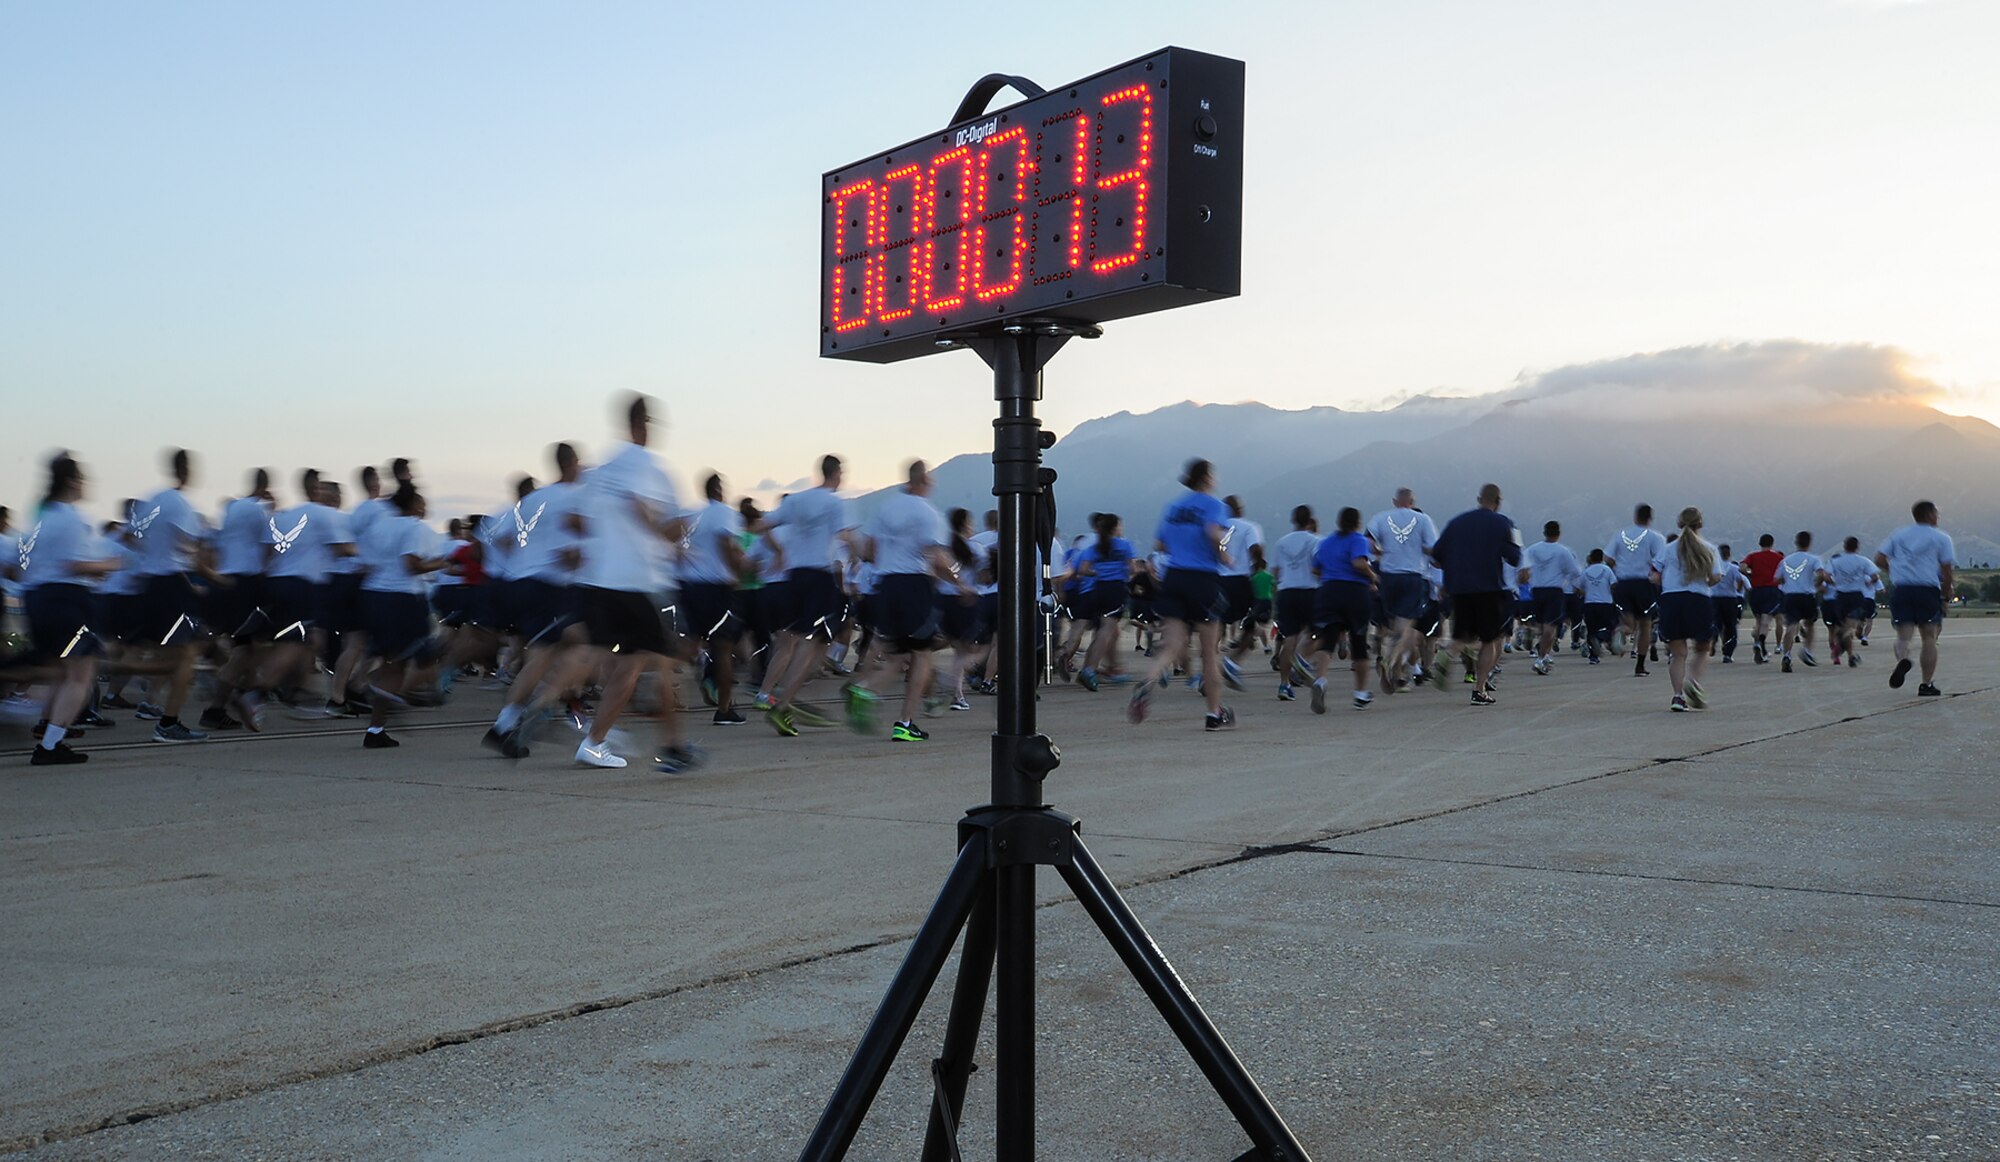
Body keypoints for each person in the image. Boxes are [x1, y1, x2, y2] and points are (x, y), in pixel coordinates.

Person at [571, 395, 694, 770]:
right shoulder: (652, 467)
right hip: (639, 582)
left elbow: (579, 522)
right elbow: (672, 525)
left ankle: (661, 745)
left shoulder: (602, 470)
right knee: (653, 664)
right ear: (644, 424)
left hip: (602, 582)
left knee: (631, 664)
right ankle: (658, 747)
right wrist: (669, 532)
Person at [847, 461, 973, 741]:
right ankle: (905, 722)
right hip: (914, 585)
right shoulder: (928, 513)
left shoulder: (885, 508)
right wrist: (961, 582)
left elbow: (868, 550)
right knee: (922, 655)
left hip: (886, 584)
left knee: (897, 653)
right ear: (924, 482)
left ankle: (865, 689)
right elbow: (938, 559)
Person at [19, 455, 125, 764]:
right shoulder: (72, 518)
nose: (84, 484)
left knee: (59, 672)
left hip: (39, 597)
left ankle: (47, 730)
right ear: (70, 481)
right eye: (81, 478)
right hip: (67, 599)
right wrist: (112, 563)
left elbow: (22, 564)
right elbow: (76, 564)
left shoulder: (41, 517)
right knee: (81, 674)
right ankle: (49, 746)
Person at [755, 455, 858, 737]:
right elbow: (846, 538)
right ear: (837, 473)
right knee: (816, 645)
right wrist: (865, 555)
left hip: (793, 579)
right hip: (819, 577)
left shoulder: (795, 501)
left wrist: (774, 550)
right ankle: (784, 702)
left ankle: (774, 696)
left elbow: (762, 526)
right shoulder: (834, 503)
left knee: (792, 640)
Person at [1129, 459, 1235, 730]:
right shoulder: (1214, 504)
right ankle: (1214, 713)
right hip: (1202, 578)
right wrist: (1224, 554)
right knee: (1209, 653)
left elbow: (1160, 543)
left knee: (1172, 644)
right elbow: (1213, 533)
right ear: (1207, 477)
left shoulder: (1173, 506)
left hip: (1174, 577)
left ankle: (1148, 681)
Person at [125, 449, 211, 743]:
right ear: (185, 469)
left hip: (152, 584)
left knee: (177, 653)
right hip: (171, 585)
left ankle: (158, 708)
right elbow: (188, 547)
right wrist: (209, 571)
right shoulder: (180, 503)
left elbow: (130, 537)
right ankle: (168, 723)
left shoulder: (150, 500)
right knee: (186, 654)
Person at [355, 482, 449, 748]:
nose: (424, 507)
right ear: (411, 505)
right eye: (421, 502)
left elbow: (364, 564)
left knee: (393, 665)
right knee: (430, 652)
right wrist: (441, 563)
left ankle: (375, 729)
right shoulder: (412, 527)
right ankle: (392, 695)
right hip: (402, 599)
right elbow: (412, 564)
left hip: (372, 596)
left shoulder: (377, 527)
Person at [1430, 483, 1520, 707]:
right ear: (1497, 502)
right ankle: (1479, 689)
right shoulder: (1503, 523)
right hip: (1488, 588)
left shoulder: (1456, 522)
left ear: (1479, 498)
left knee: (1464, 635)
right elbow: (1514, 557)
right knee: (1489, 640)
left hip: (1459, 589)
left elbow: (1436, 556)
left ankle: (1448, 652)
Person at [678, 472, 749, 726]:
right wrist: (735, 572)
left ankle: (659, 678)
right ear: (719, 489)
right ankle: (724, 708)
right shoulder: (722, 512)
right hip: (716, 588)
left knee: (689, 642)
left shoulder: (693, 515)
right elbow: (726, 544)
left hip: (689, 585)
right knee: (724, 647)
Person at [1876, 500, 1955, 697]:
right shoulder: (1941, 537)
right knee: (1929, 636)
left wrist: (1894, 571)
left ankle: (1903, 660)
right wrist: (1946, 594)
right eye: (1936, 513)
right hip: (1926, 589)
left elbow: (1878, 558)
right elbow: (1946, 570)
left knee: (1903, 635)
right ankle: (1926, 684)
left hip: (1902, 589)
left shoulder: (1899, 534)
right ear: (1930, 515)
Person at [1364, 488, 1439, 692]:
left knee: (1394, 625)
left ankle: (1397, 674)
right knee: (1406, 628)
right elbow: (1433, 548)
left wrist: (1379, 551)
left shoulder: (1381, 517)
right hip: (1412, 576)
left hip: (1388, 577)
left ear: (1395, 501)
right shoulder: (1423, 520)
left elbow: (1368, 541)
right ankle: (1391, 659)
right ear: (1412, 501)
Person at [1305, 507, 1377, 712]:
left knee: (1327, 639)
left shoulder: (1326, 542)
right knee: (1359, 641)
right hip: (1354, 593)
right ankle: (1360, 694)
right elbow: (1358, 563)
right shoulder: (1358, 540)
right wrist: (1373, 577)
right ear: (1357, 523)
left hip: (1328, 592)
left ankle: (1320, 680)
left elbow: (1315, 568)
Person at [1653, 507, 1721, 712]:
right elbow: (1715, 577)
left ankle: (1677, 696)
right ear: (1700, 524)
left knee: (1678, 653)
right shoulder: (1709, 548)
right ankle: (1694, 682)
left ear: (1679, 524)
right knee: (1702, 648)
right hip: (1698, 600)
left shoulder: (1667, 548)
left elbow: (1654, 576)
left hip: (1672, 599)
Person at [1071, 512, 1135, 693]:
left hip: (1097, 589)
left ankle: (1089, 667)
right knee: (1106, 631)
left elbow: (1083, 570)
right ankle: (1090, 669)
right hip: (1115, 590)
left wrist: (1098, 572)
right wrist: (1123, 574)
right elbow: (1132, 568)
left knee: (1102, 630)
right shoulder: (1124, 545)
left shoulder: (1095, 547)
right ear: (1115, 528)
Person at [1605, 504, 1667, 678]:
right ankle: (1640, 665)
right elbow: (1661, 560)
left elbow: (1608, 557)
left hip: (1623, 583)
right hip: (1643, 583)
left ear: (1635, 517)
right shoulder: (1655, 537)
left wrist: (1617, 567)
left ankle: (1621, 630)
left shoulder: (1620, 534)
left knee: (1628, 622)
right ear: (1650, 518)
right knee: (1646, 624)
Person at [1518, 520, 1581, 676]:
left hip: (1536, 590)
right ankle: (1541, 657)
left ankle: (1542, 650)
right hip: (1554, 591)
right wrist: (1568, 580)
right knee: (1550, 627)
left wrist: (1528, 578)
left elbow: (1523, 568)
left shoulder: (1532, 550)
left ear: (1544, 533)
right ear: (1558, 534)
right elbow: (1575, 571)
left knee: (1541, 625)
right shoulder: (1563, 551)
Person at [1269, 505, 1319, 701]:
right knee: (1316, 633)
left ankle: (1284, 684)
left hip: (1286, 591)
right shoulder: (1316, 541)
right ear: (1309, 521)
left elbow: (1275, 571)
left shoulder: (1281, 543)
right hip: (1309, 591)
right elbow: (1319, 569)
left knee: (1289, 639)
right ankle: (1301, 661)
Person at [1825, 537, 1881, 669]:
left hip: (1840, 596)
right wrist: (1867, 582)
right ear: (1857, 547)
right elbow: (1875, 576)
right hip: (1856, 595)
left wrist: (1834, 582)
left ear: (1844, 546)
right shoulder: (1863, 561)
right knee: (1849, 627)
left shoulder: (1836, 560)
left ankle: (1850, 655)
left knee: (1842, 625)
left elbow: (1826, 575)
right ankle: (1844, 644)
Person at [1776, 531, 1826, 673]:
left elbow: (1777, 579)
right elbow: (1821, 574)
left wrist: (1788, 582)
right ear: (1809, 543)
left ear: (1796, 542)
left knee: (1791, 626)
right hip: (1807, 595)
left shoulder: (1786, 560)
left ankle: (1786, 655)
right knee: (1810, 623)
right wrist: (1816, 585)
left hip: (1790, 596)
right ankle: (1807, 650)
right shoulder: (1814, 559)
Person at [1739, 534, 1784, 663]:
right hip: (1771, 590)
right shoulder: (1778, 558)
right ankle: (1760, 643)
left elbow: (1742, 567)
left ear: (1760, 543)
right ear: (1772, 544)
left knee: (1758, 620)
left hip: (1756, 591)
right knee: (1766, 619)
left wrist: (1750, 574)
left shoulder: (1753, 556)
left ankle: (1760, 648)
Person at [1579, 548, 1617, 663]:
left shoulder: (1586, 571)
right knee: (1610, 628)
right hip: (1605, 603)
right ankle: (1600, 638)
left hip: (1590, 604)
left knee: (1591, 630)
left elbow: (1580, 589)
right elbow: (1614, 585)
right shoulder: (1607, 570)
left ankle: (1593, 657)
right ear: (1601, 558)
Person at [1711, 544, 1746, 663]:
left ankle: (1713, 637)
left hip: (1714, 598)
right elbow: (1740, 580)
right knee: (1730, 626)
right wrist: (1739, 589)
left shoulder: (1713, 567)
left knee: (1715, 623)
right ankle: (1728, 653)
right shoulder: (1733, 568)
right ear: (1729, 554)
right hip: (1730, 599)